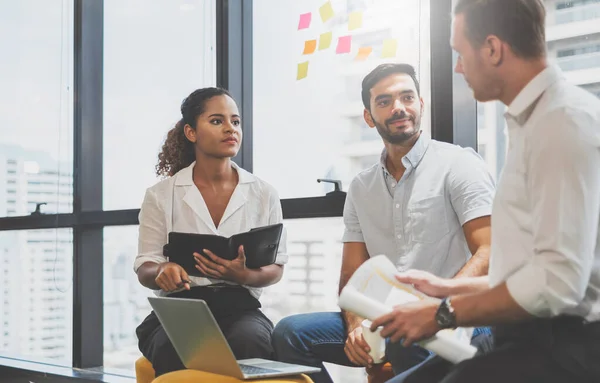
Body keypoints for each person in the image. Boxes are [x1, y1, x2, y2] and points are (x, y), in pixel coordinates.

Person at [376, 1, 600, 382]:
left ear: (494, 49)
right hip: (529, 333)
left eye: (461, 53)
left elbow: (557, 284)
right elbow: (531, 270)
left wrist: (442, 312)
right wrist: (449, 286)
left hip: (567, 347)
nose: (459, 67)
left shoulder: (561, 124)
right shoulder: (532, 124)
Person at [271, 63, 495, 383]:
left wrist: (434, 309)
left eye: (407, 97)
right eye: (384, 101)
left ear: (420, 104)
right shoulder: (362, 187)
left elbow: (489, 250)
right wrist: (353, 327)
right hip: (391, 318)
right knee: (290, 333)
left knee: (402, 338)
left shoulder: (458, 164)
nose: (398, 107)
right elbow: (351, 275)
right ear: (368, 116)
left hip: (461, 315)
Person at [133, 87, 288, 377]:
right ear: (191, 132)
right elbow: (145, 266)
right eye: (217, 121)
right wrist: (162, 270)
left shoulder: (264, 193)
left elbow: (275, 267)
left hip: (240, 307)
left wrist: (243, 276)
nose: (231, 128)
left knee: (250, 341)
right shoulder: (161, 195)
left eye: (236, 121)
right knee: (172, 347)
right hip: (181, 309)